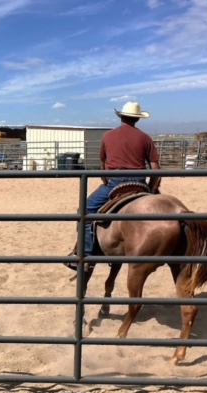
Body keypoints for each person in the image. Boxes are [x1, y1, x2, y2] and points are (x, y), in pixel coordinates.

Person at [67, 101, 160, 270]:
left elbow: (103, 162)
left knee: (84, 211)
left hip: (115, 183)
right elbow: (156, 168)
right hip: (139, 183)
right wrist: (152, 189)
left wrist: (105, 179)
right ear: (137, 119)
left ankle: (85, 255)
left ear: (122, 117)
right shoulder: (146, 138)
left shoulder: (108, 136)